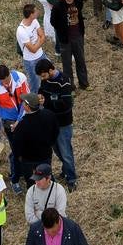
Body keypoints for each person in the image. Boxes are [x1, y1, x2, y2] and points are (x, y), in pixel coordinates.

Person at [36, 58, 77, 191]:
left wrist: (47, 103)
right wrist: (40, 96)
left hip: (63, 124)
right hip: (50, 123)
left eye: (44, 75)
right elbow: (42, 90)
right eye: (41, 77)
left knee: (66, 152)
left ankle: (71, 179)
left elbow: (66, 105)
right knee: (57, 150)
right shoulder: (45, 80)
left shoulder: (64, 82)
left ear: (51, 70)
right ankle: (66, 168)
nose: (43, 79)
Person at [0, 64, 28, 194]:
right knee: (16, 151)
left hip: (23, 117)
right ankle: (15, 179)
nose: (5, 83)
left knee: (26, 148)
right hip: (9, 123)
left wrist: (20, 119)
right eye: (2, 82)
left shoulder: (20, 78)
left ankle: (22, 171)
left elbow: (26, 99)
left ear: (9, 74)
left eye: (7, 80)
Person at [11, 92, 59, 187]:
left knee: (32, 182)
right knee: (46, 176)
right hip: (46, 155)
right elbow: (56, 131)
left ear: (27, 107)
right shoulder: (49, 115)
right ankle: (50, 192)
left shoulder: (22, 125)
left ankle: (35, 197)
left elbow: (16, 145)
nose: (22, 105)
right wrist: (50, 143)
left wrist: (19, 156)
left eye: (24, 103)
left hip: (29, 160)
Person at [51, 0, 89, 91]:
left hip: (78, 37)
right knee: (67, 65)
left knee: (81, 61)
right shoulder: (58, 6)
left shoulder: (78, 1)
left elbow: (80, 12)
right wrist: (62, 29)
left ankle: (84, 84)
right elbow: (53, 21)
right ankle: (70, 87)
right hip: (65, 40)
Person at [17, 3, 46, 94]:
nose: (37, 12)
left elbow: (43, 36)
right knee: (34, 85)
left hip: (41, 55)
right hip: (30, 61)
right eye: (35, 11)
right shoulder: (21, 31)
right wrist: (39, 40)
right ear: (31, 15)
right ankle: (35, 106)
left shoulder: (34, 21)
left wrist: (38, 42)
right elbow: (32, 50)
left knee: (49, 74)